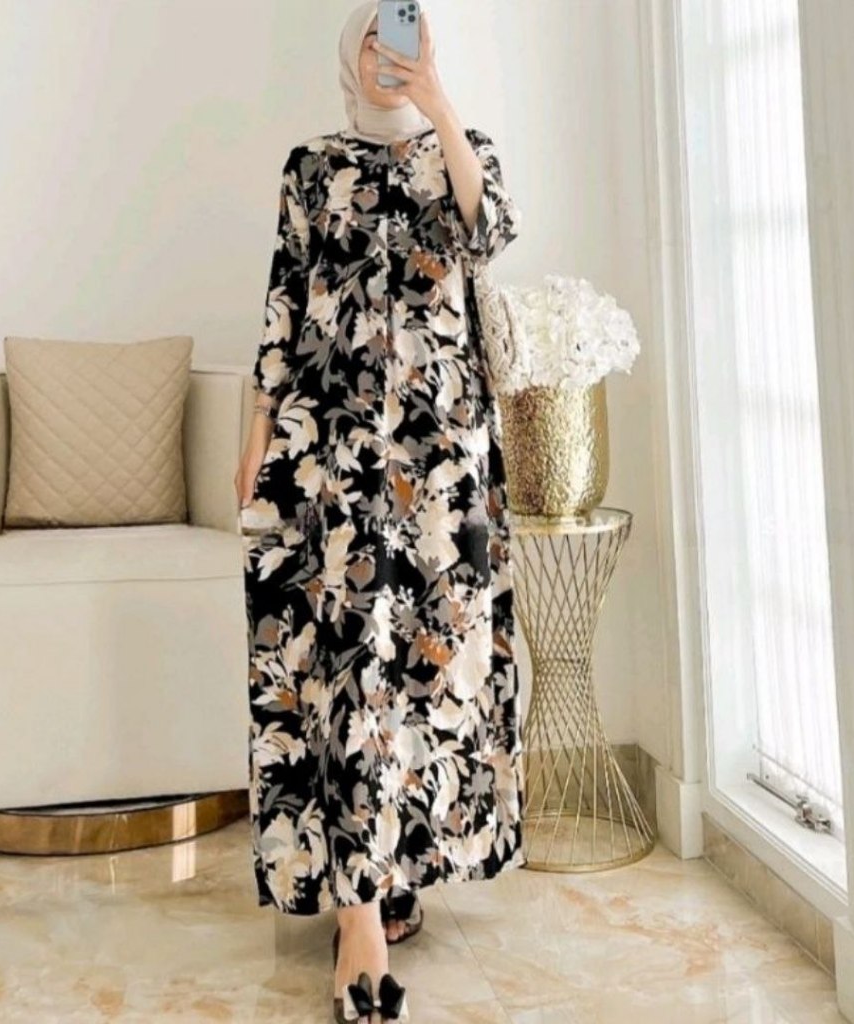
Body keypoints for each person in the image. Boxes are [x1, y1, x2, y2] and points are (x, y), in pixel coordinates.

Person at [235, 3, 525, 1020]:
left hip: (444, 462)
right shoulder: (311, 167)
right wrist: (255, 431)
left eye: (404, 36)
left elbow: (489, 233)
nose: (386, 54)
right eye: (373, 36)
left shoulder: (464, 150)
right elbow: (284, 306)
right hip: (334, 456)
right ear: (347, 51)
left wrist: (439, 104)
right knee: (347, 664)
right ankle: (355, 915)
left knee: (428, 669)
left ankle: (393, 869)